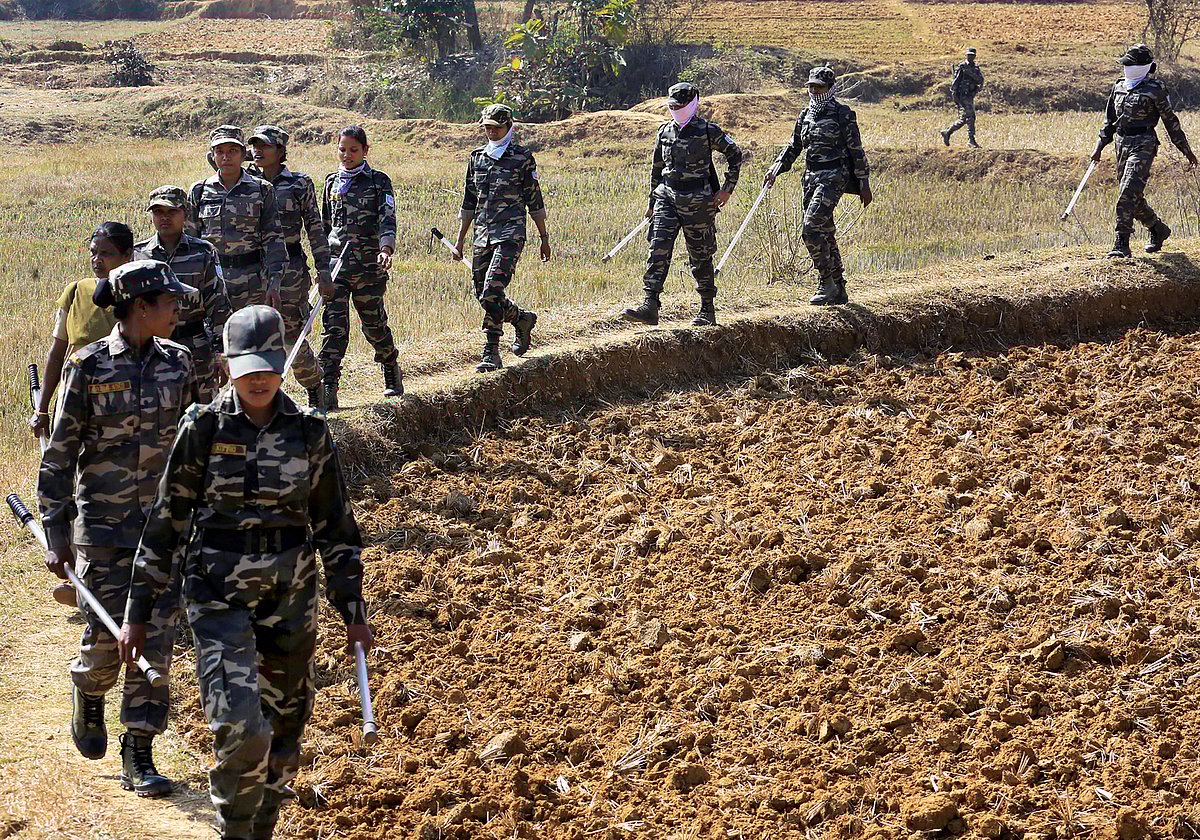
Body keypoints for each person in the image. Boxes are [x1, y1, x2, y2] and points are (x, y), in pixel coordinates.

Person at [119, 305, 372, 840]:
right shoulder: (203, 428)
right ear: (226, 366)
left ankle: (262, 828)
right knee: (240, 724)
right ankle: (235, 829)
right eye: (247, 368)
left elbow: (334, 526)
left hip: (291, 596)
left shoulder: (310, 432)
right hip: (217, 593)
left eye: (268, 367)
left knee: (283, 730)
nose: (258, 379)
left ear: (283, 365)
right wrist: (137, 612)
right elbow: (168, 521)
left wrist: (352, 605)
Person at [37, 259, 198, 797]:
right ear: (139, 308)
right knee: (108, 637)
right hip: (103, 529)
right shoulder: (87, 368)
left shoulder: (180, 364)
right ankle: (88, 688)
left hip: (163, 530)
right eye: (168, 301)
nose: (178, 308)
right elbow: (59, 458)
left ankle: (140, 754)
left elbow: (196, 448)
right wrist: (57, 532)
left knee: (157, 635)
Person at [621, 81, 742, 328]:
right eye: (672, 105)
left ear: (693, 103)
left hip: (698, 201)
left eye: (680, 105)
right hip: (667, 197)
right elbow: (657, 170)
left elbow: (734, 155)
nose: (675, 109)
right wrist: (652, 202)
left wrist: (726, 190)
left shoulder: (708, 131)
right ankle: (650, 304)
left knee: (700, 256)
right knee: (658, 250)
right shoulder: (664, 131)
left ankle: (707, 308)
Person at [452, 103, 550, 372]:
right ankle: (521, 319)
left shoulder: (522, 158)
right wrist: (460, 239)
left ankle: (491, 351)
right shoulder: (477, 159)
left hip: (510, 232)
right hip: (482, 234)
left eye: (497, 128)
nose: (492, 133)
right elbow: (469, 201)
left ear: (509, 127)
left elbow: (535, 200)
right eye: (487, 128)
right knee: (483, 296)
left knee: (493, 289)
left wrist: (544, 237)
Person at [764, 65, 872, 306]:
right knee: (825, 230)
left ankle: (826, 282)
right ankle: (839, 287)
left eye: (819, 87)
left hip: (835, 175)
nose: (814, 91)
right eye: (811, 86)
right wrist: (775, 169)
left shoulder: (842, 114)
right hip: (811, 176)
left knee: (811, 228)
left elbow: (856, 149)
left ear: (830, 88)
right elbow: (793, 147)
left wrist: (864, 182)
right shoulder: (805, 114)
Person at [247, 125, 332, 409]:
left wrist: (323, 270)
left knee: (290, 336)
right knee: (254, 335)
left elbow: (315, 229)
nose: (258, 151)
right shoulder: (246, 182)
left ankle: (313, 384)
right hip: (252, 268)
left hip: (290, 270)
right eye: (255, 146)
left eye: (266, 146)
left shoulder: (298, 184)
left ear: (281, 151)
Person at [319, 125, 403, 409]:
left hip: (368, 267)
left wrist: (385, 249)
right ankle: (328, 386)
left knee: (374, 326)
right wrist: (321, 265)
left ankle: (390, 366)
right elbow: (325, 226)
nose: (347, 155)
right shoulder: (331, 183)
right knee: (334, 328)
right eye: (342, 150)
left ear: (365, 151)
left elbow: (387, 219)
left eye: (353, 150)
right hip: (336, 270)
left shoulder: (379, 182)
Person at [28, 222, 132, 441]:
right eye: (93, 252)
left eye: (106, 253)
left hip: (121, 404)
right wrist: (43, 409)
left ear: (127, 256)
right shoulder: (76, 291)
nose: (97, 259)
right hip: (74, 399)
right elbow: (57, 354)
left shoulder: (139, 297)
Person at [1092, 43, 1197, 258]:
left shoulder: (1155, 89)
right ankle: (1158, 229)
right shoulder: (1119, 86)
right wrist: (1099, 147)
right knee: (1132, 196)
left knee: (1127, 192)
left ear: (1143, 66)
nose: (1126, 68)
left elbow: (1171, 122)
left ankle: (1121, 242)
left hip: (1144, 143)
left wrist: (1186, 150)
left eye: (1131, 64)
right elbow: (1109, 121)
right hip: (1121, 143)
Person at [136, 185, 233, 404]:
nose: (164, 218)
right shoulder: (139, 254)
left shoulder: (203, 252)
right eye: (158, 212)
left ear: (185, 213)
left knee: (204, 415)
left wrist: (221, 353)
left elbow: (218, 304)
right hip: (152, 348)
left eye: (172, 212)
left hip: (196, 348)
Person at [188, 125, 287, 312]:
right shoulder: (199, 191)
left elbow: (273, 239)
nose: (226, 157)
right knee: (215, 339)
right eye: (220, 151)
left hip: (252, 284)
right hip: (211, 282)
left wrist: (274, 283)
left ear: (243, 155)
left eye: (233, 151)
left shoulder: (262, 190)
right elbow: (190, 240)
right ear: (212, 155)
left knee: (252, 337)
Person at [940, 48, 984, 149]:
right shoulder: (962, 67)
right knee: (971, 116)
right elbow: (955, 82)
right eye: (969, 55)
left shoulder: (976, 68)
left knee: (965, 119)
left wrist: (977, 82)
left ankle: (947, 132)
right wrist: (954, 94)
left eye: (972, 55)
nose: (970, 57)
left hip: (970, 95)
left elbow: (981, 79)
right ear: (966, 55)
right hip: (962, 95)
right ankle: (971, 140)